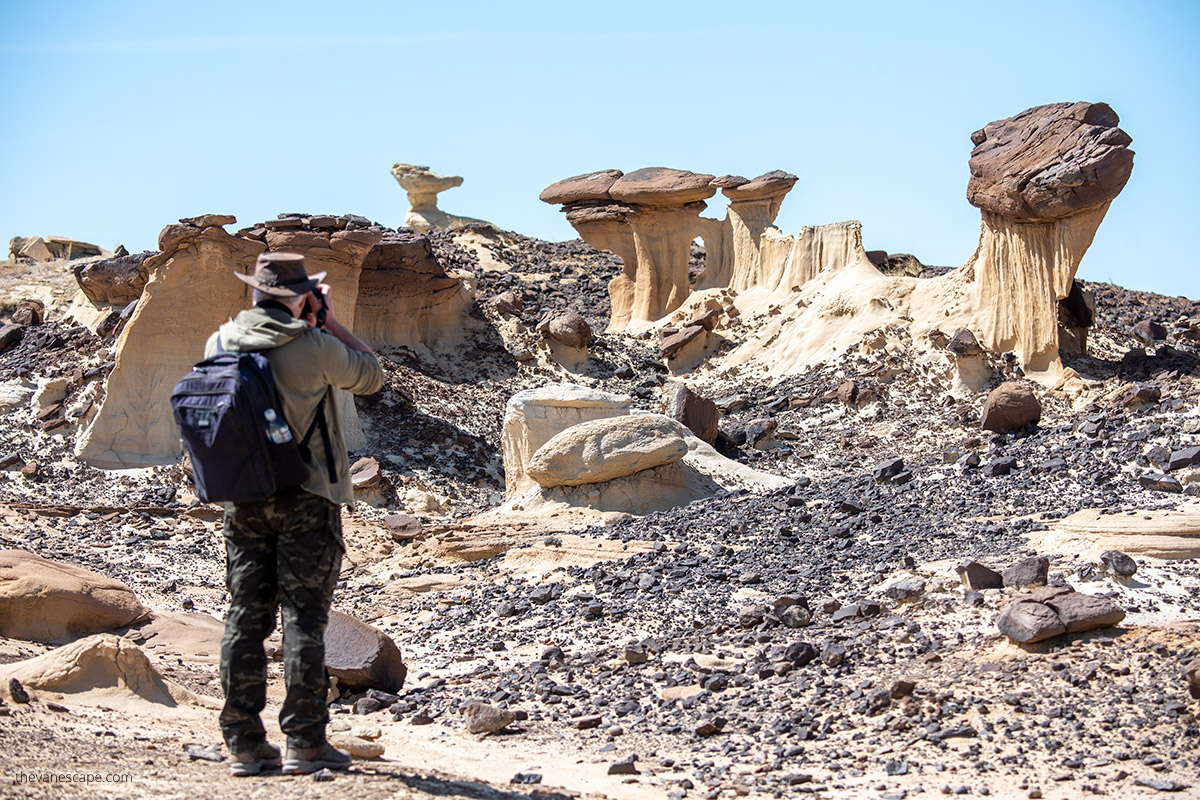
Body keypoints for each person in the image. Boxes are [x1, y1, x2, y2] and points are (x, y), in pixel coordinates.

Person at [205, 251, 384, 777]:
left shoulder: (222, 341)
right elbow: (371, 374)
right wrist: (328, 320)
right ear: (301, 295)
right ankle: (305, 742)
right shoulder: (313, 345)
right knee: (303, 620)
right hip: (309, 496)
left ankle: (242, 742)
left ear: (255, 293)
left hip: (243, 497)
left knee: (245, 617)